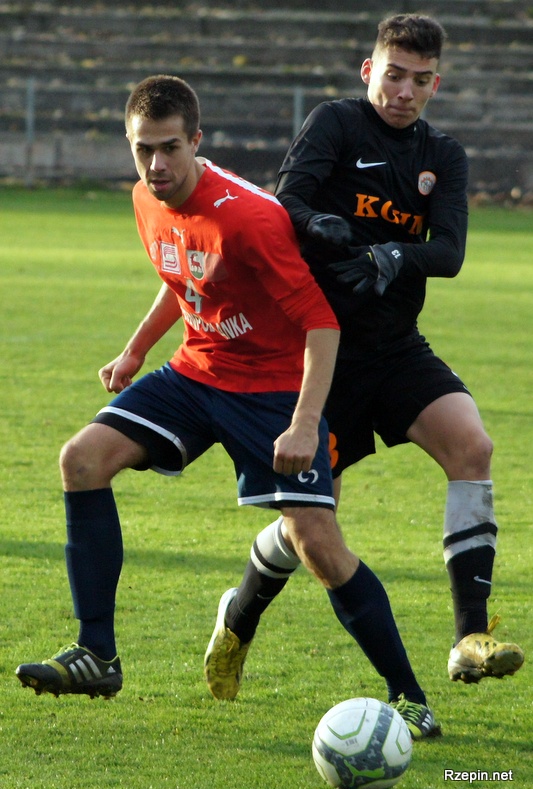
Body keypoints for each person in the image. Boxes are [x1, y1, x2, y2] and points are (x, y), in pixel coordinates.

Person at [15, 75, 438, 738]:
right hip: (196, 372)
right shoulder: (145, 198)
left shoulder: (250, 217)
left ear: (196, 141)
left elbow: (321, 324)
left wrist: (303, 423)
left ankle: (410, 697)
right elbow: (184, 273)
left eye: (169, 148)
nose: (156, 164)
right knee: (82, 460)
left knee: (317, 543)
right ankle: (97, 654)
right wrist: (134, 352)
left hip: (272, 388)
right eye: (143, 149)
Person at [206, 13, 523, 705]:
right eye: (393, 75)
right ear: (368, 70)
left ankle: (469, 637)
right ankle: (239, 615)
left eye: (419, 80)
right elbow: (285, 203)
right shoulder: (336, 124)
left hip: (395, 347)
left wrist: (392, 256)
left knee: (471, 446)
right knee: (308, 530)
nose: (403, 91)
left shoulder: (443, 154)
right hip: (316, 356)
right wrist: (316, 223)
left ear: (435, 84)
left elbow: (448, 252)